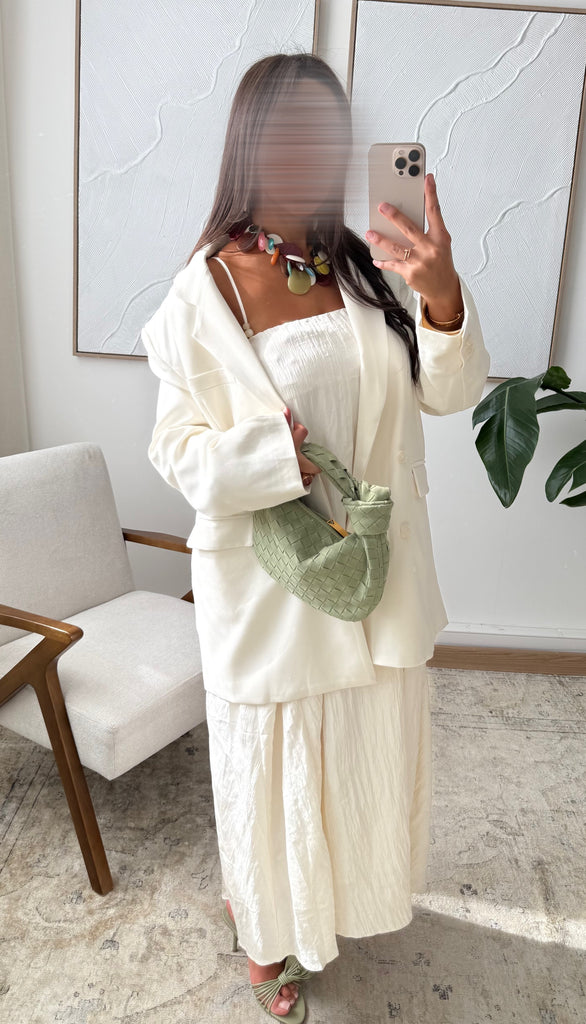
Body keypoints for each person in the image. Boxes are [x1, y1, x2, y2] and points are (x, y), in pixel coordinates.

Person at [141, 52, 490, 1022]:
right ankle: (265, 927)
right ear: (249, 146)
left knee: (359, 746)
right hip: (275, 583)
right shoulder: (203, 292)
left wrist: (442, 296)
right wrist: (271, 456)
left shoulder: (366, 265)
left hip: (378, 566)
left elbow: (448, 392)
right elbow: (174, 449)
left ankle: (331, 905)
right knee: (276, 759)